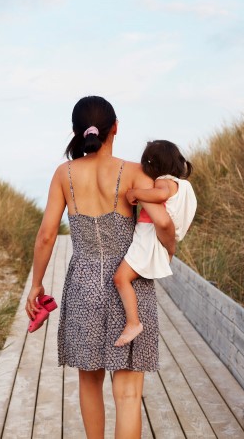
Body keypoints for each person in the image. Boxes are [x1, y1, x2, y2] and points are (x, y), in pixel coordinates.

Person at [26, 96, 177, 439]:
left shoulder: (63, 174)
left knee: (89, 383)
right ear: (116, 128)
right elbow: (164, 222)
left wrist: (36, 284)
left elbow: (47, 234)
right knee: (127, 395)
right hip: (129, 285)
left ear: (77, 133)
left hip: (83, 285)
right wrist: (169, 250)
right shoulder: (137, 173)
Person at [112, 140, 198, 347]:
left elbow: (160, 194)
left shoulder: (164, 182)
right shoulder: (183, 185)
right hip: (161, 239)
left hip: (149, 236)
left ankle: (133, 322)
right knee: (125, 278)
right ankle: (133, 322)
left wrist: (134, 193)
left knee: (120, 278)